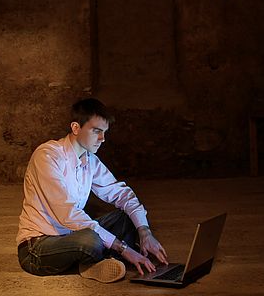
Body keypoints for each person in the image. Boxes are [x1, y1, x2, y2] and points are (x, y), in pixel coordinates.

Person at [16, 98, 168, 283]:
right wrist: (124, 248)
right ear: (75, 128)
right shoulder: (47, 156)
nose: (102, 139)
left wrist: (145, 233)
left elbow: (121, 194)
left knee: (127, 218)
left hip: (72, 236)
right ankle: (98, 261)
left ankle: (93, 263)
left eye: (104, 132)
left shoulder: (89, 160)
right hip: (38, 247)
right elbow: (68, 214)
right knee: (91, 240)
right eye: (96, 131)